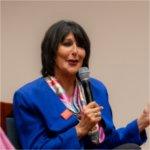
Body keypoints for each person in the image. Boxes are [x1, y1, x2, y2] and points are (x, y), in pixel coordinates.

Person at [13, 20, 150, 149]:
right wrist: (80, 129)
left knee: (130, 148)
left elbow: (108, 142)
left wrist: (141, 123)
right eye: (67, 44)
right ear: (52, 51)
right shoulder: (28, 96)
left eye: (80, 46)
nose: (75, 51)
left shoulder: (97, 89)